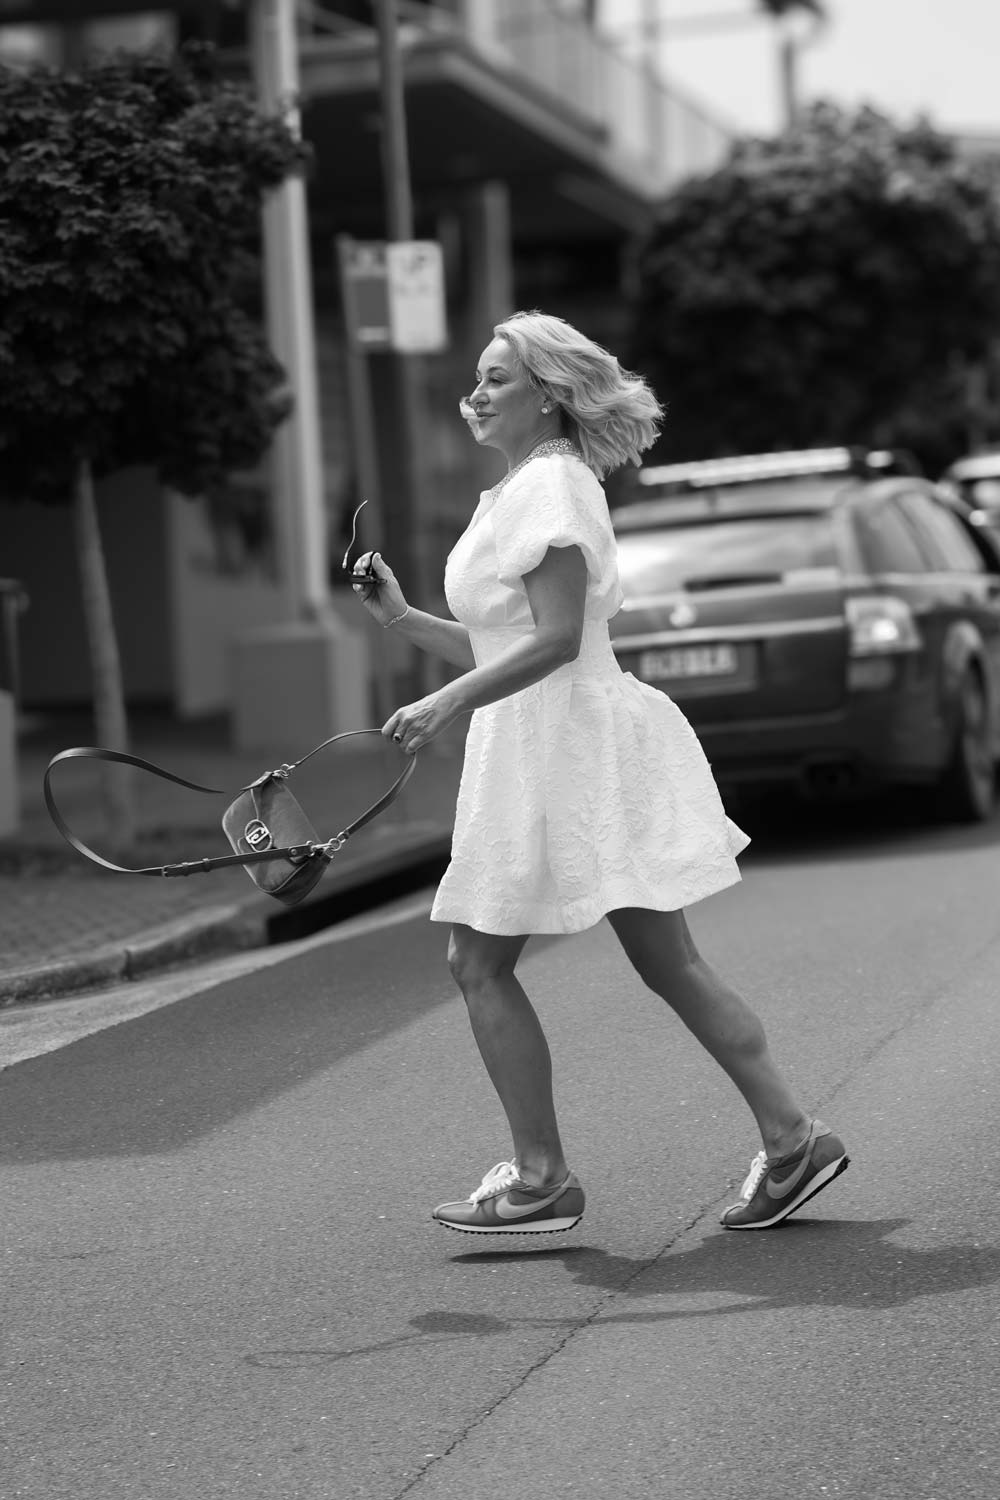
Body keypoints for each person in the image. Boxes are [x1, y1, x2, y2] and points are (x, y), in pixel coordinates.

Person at [351, 310, 848, 1236]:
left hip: (568, 742)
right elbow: (505, 638)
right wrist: (403, 620)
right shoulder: (518, 491)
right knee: (657, 962)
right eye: (478, 376)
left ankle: (546, 1177)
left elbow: (554, 642)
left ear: (547, 394)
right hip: (545, 738)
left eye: (499, 377)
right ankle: (787, 1137)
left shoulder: (553, 487)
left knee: (488, 959)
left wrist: (447, 701)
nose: (478, 391)